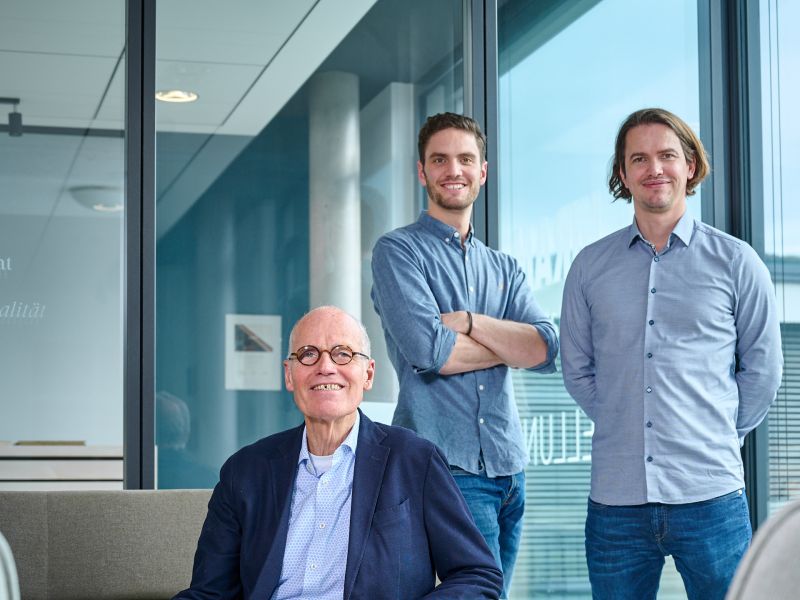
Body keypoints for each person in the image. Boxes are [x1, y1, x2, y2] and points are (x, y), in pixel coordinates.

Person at [560, 107, 783, 600]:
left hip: (711, 497)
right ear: (623, 174)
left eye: (666, 155)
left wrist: (713, 427)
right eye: (638, 158)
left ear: (690, 166)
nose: (653, 169)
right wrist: (626, 415)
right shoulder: (589, 267)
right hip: (615, 501)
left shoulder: (737, 262)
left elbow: (763, 371)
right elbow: (577, 369)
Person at [175, 306, 503, 600]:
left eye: (343, 353)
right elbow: (210, 592)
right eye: (307, 354)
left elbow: (476, 575)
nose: (326, 367)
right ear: (290, 375)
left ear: (368, 374)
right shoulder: (245, 471)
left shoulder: (416, 460)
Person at [371, 112, 559, 595]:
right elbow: (433, 352)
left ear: (483, 171)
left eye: (465, 159)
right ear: (422, 172)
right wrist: (507, 346)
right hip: (446, 466)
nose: (453, 169)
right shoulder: (398, 252)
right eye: (440, 159)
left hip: (509, 466)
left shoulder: (504, 267)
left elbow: (544, 347)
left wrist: (472, 323)